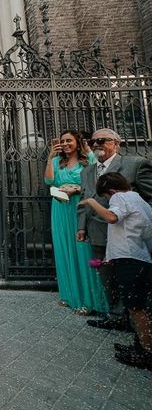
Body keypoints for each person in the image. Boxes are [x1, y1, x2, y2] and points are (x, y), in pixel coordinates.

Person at [77, 128, 152, 330]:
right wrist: (82, 227)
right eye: (92, 142)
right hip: (98, 232)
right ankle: (116, 316)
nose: (96, 145)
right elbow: (86, 199)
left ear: (117, 143)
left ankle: (136, 320)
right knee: (107, 277)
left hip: (128, 235)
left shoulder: (134, 164)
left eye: (102, 140)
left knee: (129, 277)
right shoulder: (87, 171)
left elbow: (149, 196)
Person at [79, 172, 152, 370]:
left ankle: (147, 352)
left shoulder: (120, 197)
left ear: (110, 191)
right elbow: (128, 232)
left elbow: (112, 217)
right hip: (139, 258)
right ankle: (140, 347)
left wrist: (91, 202)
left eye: (106, 198)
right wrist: (109, 259)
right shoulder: (140, 200)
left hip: (130, 260)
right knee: (136, 306)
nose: (107, 201)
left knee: (137, 309)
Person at [44, 130, 107, 315]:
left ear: (77, 142)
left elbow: (97, 182)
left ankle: (90, 299)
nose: (65, 144)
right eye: (62, 141)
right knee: (64, 250)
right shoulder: (57, 161)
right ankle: (69, 295)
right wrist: (50, 157)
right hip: (60, 209)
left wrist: (78, 188)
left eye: (69, 140)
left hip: (79, 207)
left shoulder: (87, 159)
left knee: (82, 252)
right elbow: (49, 180)